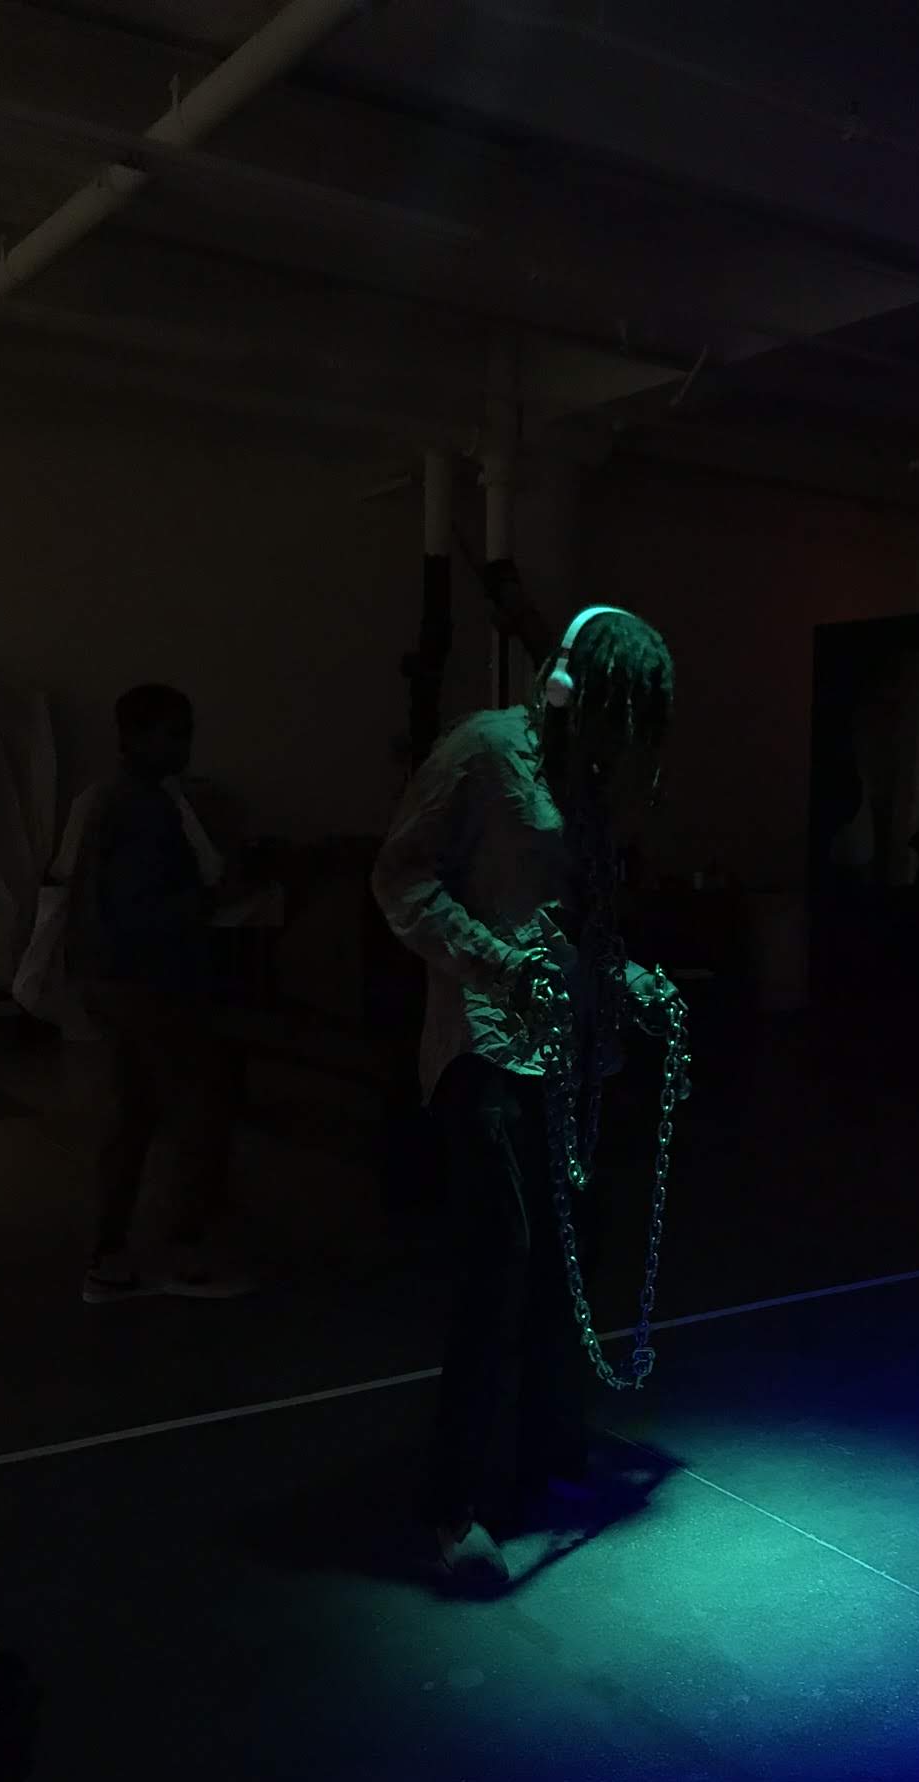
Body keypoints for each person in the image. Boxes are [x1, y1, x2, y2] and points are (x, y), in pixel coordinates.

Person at [372, 588, 678, 1586]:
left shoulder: (584, 778)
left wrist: (628, 983)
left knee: (562, 1262)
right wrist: (498, 966)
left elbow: (578, 924)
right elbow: (401, 877)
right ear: (567, 687)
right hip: (485, 1046)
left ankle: (545, 1450)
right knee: (497, 1265)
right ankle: (449, 1502)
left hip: (565, 1056)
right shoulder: (484, 750)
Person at [75, 685, 250, 1305]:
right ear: (134, 736)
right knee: (193, 1115)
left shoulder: (116, 801)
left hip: (114, 979)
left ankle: (110, 1257)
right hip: (150, 983)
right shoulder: (146, 810)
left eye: (185, 732)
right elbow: (145, 912)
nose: (183, 746)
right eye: (172, 733)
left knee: (131, 1118)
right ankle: (184, 1255)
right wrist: (214, 899)